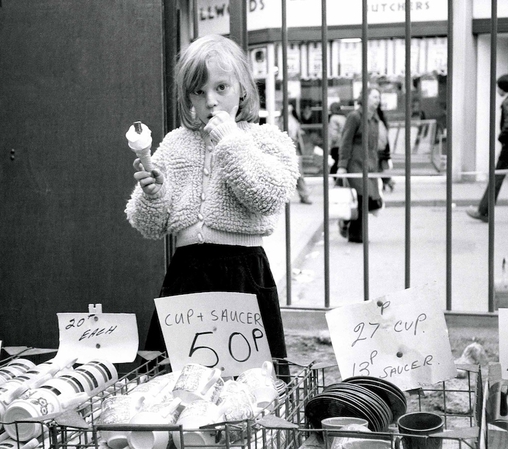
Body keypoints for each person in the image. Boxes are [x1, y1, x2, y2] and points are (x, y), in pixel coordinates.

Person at [124, 34, 299, 376]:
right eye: (199, 92)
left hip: (244, 272)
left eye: (221, 88)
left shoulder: (266, 141)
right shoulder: (175, 145)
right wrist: (154, 195)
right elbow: (148, 224)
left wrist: (230, 140)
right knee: (175, 378)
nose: (211, 101)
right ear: (188, 96)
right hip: (187, 273)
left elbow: (266, 196)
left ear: (243, 89)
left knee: (250, 383)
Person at [467, 74, 508, 225]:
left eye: (498, 87)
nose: (497, 90)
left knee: (497, 177)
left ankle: (484, 211)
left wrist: (502, 138)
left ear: (502, 88)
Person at [336, 87, 387, 243]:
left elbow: (375, 145)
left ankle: (350, 226)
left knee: (368, 200)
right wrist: (342, 165)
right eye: (374, 97)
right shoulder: (355, 116)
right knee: (361, 197)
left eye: (379, 97)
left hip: (370, 166)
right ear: (364, 98)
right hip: (355, 164)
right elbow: (345, 141)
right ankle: (356, 234)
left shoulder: (375, 119)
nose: (377, 100)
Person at [279, 103, 312, 204]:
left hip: (293, 147)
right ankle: (303, 194)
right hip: (286, 147)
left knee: (298, 172)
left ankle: (304, 194)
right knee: (289, 173)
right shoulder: (282, 120)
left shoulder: (291, 120)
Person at [328, 102, 346, 176]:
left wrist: (330, 145)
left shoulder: (333, 118)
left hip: (336, 145)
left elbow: (333, 134)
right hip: (344, 144)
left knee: (335, 163)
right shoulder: (344, 117)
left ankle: (336, 179)